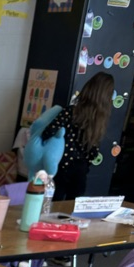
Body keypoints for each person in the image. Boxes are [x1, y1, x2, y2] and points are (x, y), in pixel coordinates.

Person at [41, 72, 114, 200]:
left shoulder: (69, 111)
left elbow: (48, 132)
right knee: (72, 208)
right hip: (79, 170)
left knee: (52, 204)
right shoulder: (98, 121)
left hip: (59, 165)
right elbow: (93, 152)